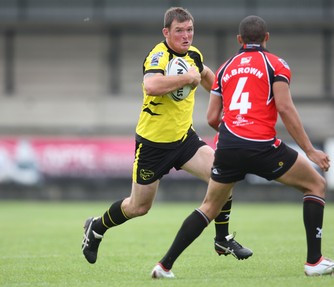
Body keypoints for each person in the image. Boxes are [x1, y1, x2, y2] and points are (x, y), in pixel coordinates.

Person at [151, 15, 334, 278]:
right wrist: (310, 150)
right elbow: (285, 107)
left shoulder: (225, 68)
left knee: (209, 207)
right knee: (316, 185)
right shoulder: (276, 64)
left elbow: (212, 118)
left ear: (239, 40)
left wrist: (235, 137)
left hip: (228, 146)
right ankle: (314, 262)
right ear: (267, 38)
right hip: (262, 146)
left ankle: (164, 266)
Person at [81, 7, 252, 266]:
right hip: (153, 144)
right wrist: (187, 78)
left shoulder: (193, 55)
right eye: (179, 31)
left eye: (190, 30)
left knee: (223, 174)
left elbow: (206, 75)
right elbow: (151, 85)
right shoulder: (158, 55)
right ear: (166, 32)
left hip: (184, 140)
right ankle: (96, 227)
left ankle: (222, 238)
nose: (186, 36)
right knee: (138, 207)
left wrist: (224, 100)